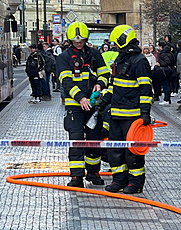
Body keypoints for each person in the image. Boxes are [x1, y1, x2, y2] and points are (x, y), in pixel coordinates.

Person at [100, 25, 153, 194]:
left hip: (132, 116)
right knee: (115, 151)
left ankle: (135, 183)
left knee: (132, 153)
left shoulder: (140, 62)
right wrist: (102, 102)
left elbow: (146, 90)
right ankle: (119, 181)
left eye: (116, 43)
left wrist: (145, 112)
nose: (114, 46)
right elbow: (112, 85)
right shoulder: (119, 60)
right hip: (116, 114)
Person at [56, 22, 111, 187]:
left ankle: (93, 173)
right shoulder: (64, 58)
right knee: (76, 140)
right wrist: (80, 98)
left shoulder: (94, 54)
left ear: (86, 39)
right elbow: (66, 82)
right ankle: (76, 177)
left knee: (94, 140)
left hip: (93, 105)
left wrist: (100, 84)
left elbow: (104, 73)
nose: (78, 43)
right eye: (75, 41)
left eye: (81, 41)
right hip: (75, 106)